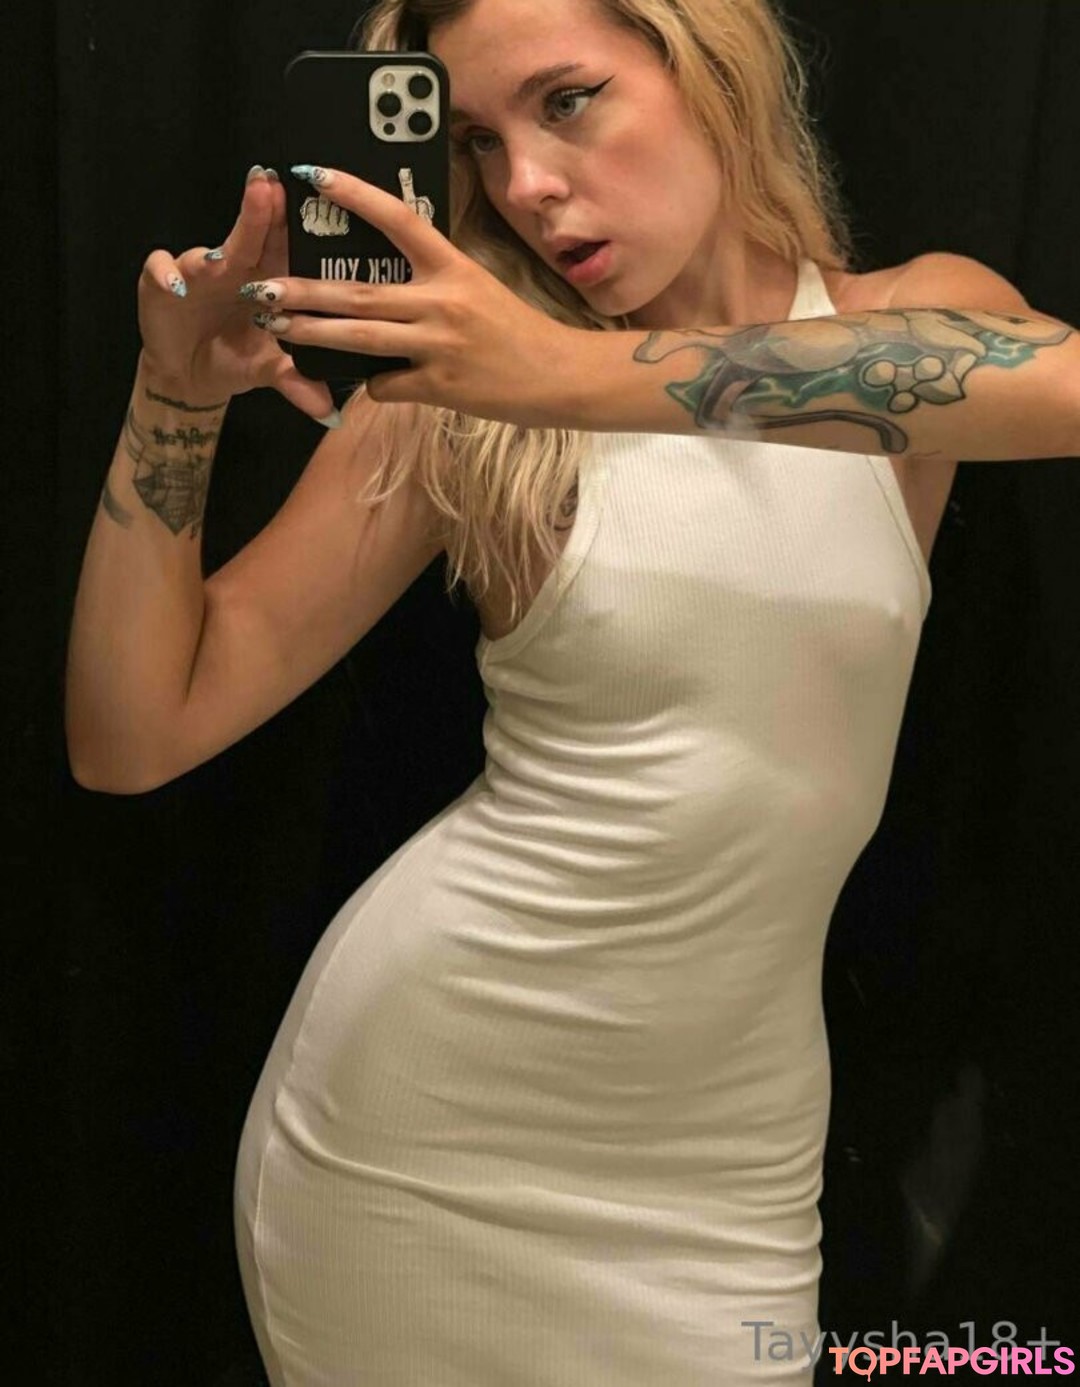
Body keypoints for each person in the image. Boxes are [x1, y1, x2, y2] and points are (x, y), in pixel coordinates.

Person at [64, 0, 1079, 1382]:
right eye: (479, 142)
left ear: (707, 64)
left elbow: (1060, 389)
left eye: (567, 101)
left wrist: (568, 371)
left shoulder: (901, 323)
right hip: (425, 1152)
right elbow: (133, 734)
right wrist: (172, 401)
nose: (527, 187)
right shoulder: (455, 397)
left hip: (733, 1172)